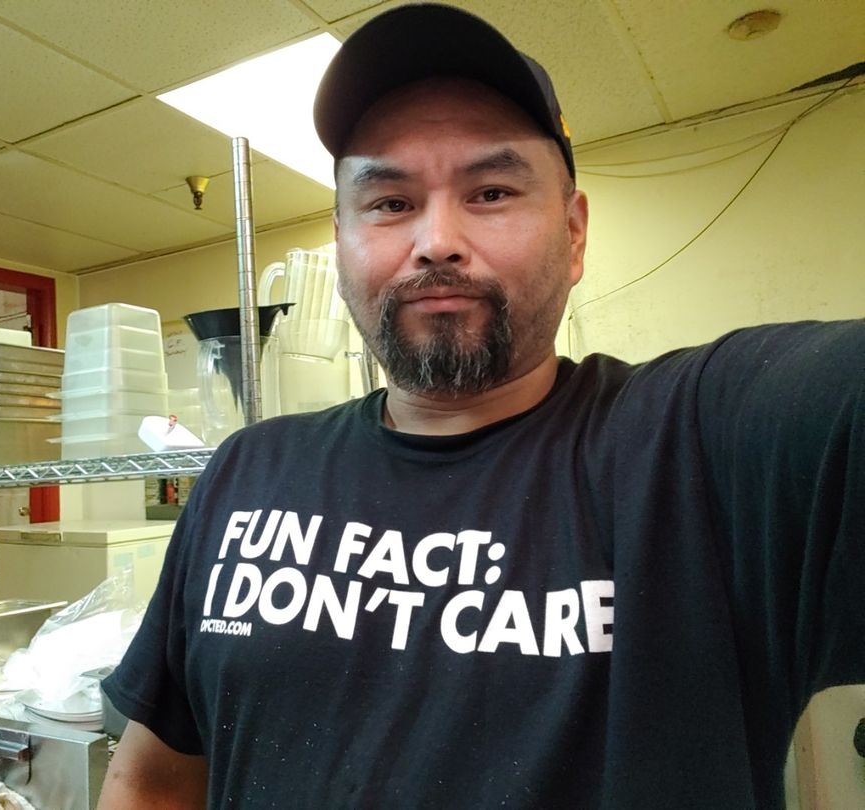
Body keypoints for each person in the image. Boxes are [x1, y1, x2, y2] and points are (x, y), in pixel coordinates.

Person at [98, 5, 864, 808]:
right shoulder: (246, 473)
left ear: (573, 234)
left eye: (491, 191)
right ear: (343, 242)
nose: (436, 240)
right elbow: (153, 779)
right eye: (389, 202)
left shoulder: (702, 446)